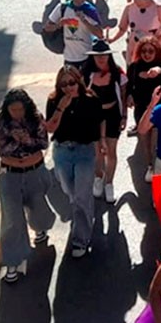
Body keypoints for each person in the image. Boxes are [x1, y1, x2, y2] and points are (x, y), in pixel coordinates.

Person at [0, 88, 54, 284]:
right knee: (11, 220)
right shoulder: (2, 124)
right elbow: (1, 150)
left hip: (34, 172)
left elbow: (43, 143)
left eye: (20, 109)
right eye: (13, 110)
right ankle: (13, 262)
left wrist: (26, 139)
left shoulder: (36, 119)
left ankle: (41, 227)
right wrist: (14, 139)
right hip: (10, 175)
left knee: (39, 209)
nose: (17, 113)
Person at [45, 66, 103, 258]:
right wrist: (62, 106)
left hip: (84, 151)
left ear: (78, 81)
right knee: (70, 193)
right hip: (62, 151)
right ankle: (84, 216)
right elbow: (51, 129)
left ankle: (81, 239)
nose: (68, 87)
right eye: (64, 84)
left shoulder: (90, 100)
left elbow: (98, 123)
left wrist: (100, 146)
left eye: (71, 83)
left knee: (81, 196)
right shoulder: (54, 100)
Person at [81, 40, 126, 204]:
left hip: (112, 114)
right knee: (97, 151)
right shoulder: (86, 74)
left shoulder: (117, 73)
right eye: (97, 56)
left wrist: (124, 116)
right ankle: (98, 178)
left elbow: (122, 94)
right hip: (94, 116)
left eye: (104, 55)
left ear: (109, 56)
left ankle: (109, 183)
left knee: (111, 151)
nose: (101, 59)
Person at [126, 39, 161, 168]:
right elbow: (129, 85)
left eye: (150, 51)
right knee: (144, 138)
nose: (146, 54)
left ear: (156, 52)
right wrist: (129, 96)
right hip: (141, 107)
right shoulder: (134, 66)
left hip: (160, 107)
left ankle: (159, 163)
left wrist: (159, 70)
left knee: (158, 139)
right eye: (143, 51)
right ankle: (150, 165)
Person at [43, 0, 104, 69]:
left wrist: (84, 21)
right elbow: (47, 28)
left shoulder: (90, 11)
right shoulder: (62, 8)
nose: (80, 0)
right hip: (69, 57)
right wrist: (58, 25)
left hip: (87, 56)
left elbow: (100, 34)